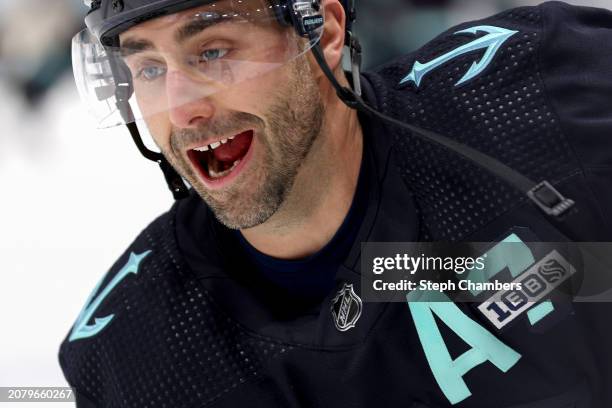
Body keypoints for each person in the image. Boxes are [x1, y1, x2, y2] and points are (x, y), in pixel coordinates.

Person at [59, 0, 612, 406]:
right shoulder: (134, 354)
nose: (182, 112)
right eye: (149, 70)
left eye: (212, 51)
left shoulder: (542, 90)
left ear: (323, 32)